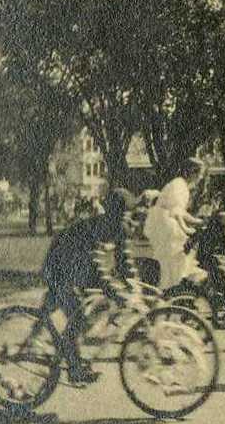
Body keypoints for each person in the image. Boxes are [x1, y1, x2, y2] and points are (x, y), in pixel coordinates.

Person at [41, 189, 136, 384]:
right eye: (120, 213)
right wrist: (115, 292)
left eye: (126, 213)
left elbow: (124, 262)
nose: (124, 218)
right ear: (110, 212)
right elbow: (97, 269)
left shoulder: (120, 228)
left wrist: (136, 285)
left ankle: (46, 337)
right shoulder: (94, 228)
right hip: (58, 265)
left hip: (74, 267)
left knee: (78, 308)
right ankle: (74, 368)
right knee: (78, 316)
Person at [185, 190, 225, 334]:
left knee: (222, 286)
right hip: (213, 256)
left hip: (210, 255)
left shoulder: (223, 215)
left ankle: (218, 315)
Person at [144, 159, 205, 290]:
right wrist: (186, 229)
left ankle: (172, 286)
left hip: (165, 221)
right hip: (166, 223)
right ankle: (169, 288)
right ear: (192, 173)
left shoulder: (181, 185)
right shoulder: (179, 186)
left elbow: (180, 211)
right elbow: (176, 213)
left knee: (175, 257)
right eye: (200, 174)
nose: (200, 178)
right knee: (174, 256)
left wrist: (197, 221)